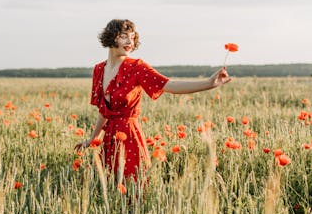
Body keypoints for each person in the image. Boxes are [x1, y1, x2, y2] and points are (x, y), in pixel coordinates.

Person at [75, 19, 231, 179]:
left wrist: (209, 83)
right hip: (109, 141)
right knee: (109, 189)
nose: (130, 41)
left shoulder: (137, 67)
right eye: (124, 36)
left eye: (132, 36)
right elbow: (104, 111)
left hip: (130, 138)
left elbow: (170, 85)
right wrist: (92, 139)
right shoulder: (99, 70)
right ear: (111, 37)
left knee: (133, 189)